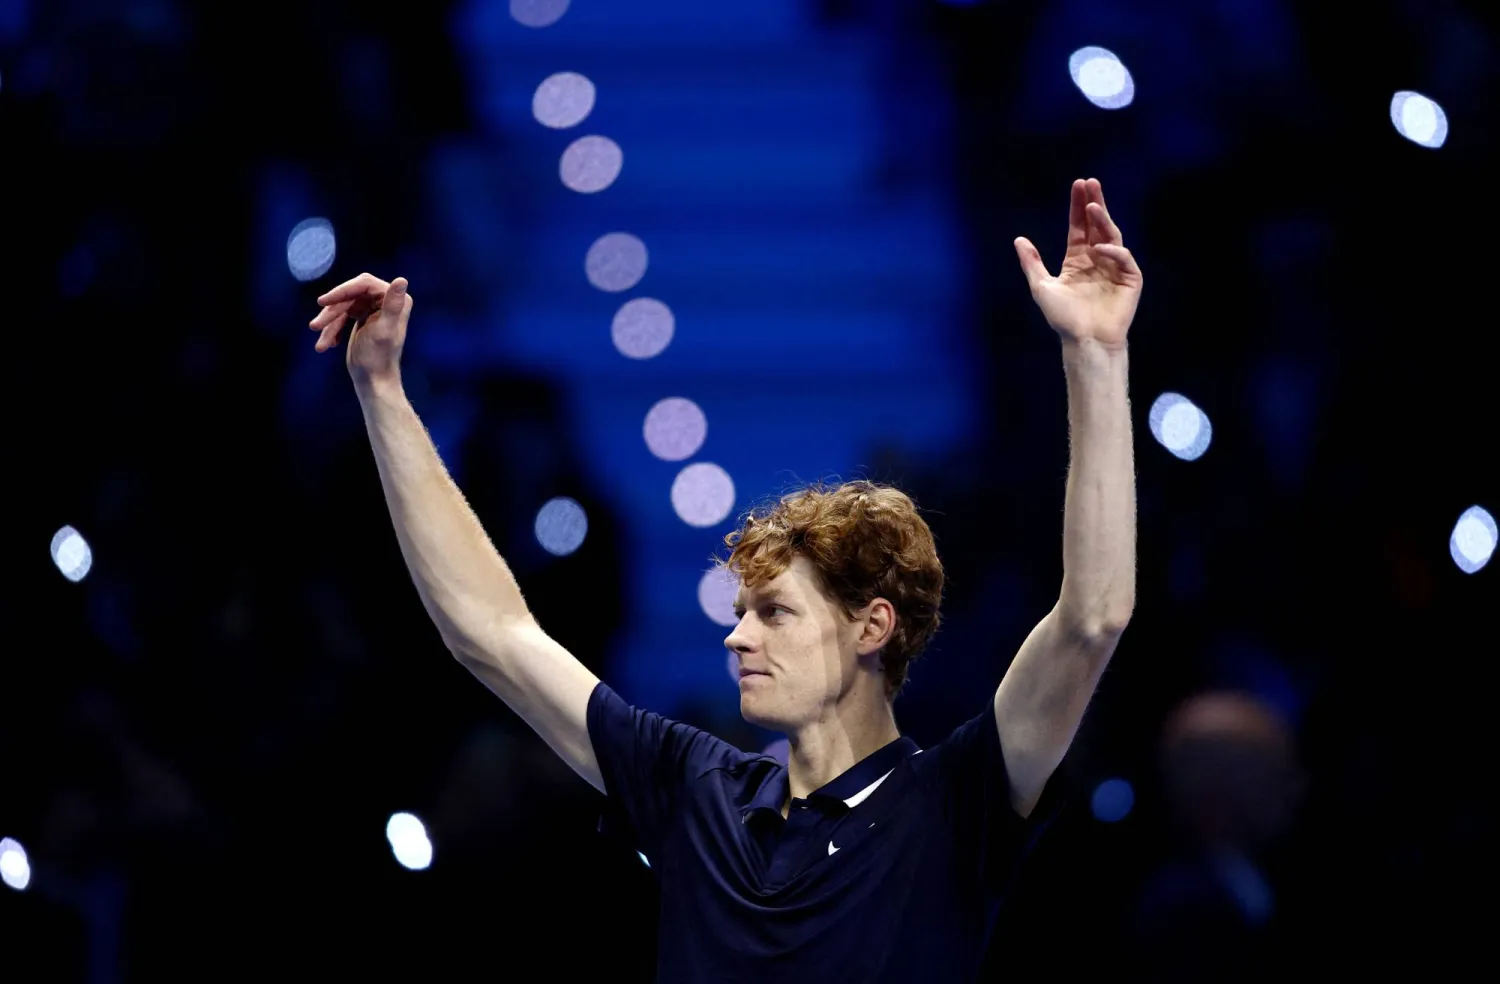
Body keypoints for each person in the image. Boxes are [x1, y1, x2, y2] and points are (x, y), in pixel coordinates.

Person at [307, 177, 1141, 983]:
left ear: (871, 626)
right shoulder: (692, 786)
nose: (737, 637)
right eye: (742, 612)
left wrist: (1096, 355)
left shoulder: (954, 802)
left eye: (773, 612)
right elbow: (490, 631)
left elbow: (1092, 619)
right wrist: (382, 392)